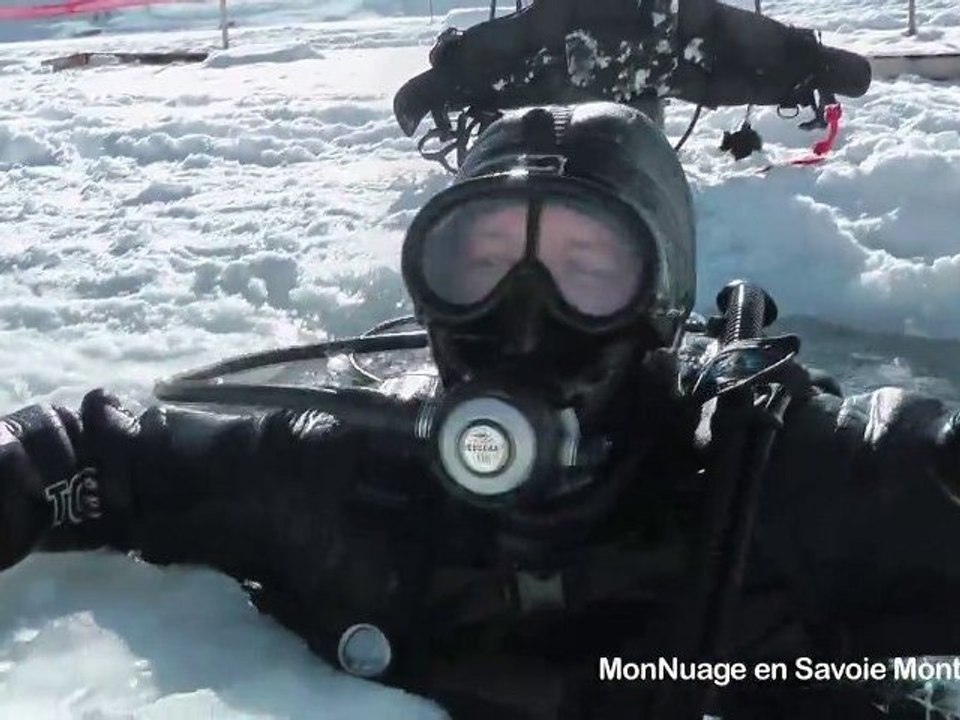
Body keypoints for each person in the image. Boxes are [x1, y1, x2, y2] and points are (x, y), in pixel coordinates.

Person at [1, 98, 959, 719]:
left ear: (661, 305)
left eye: (587, 270)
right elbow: (101, 456)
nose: (524, 319)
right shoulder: (338, 478)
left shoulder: (781, 484)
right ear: (429, 294)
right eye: (481, 267)